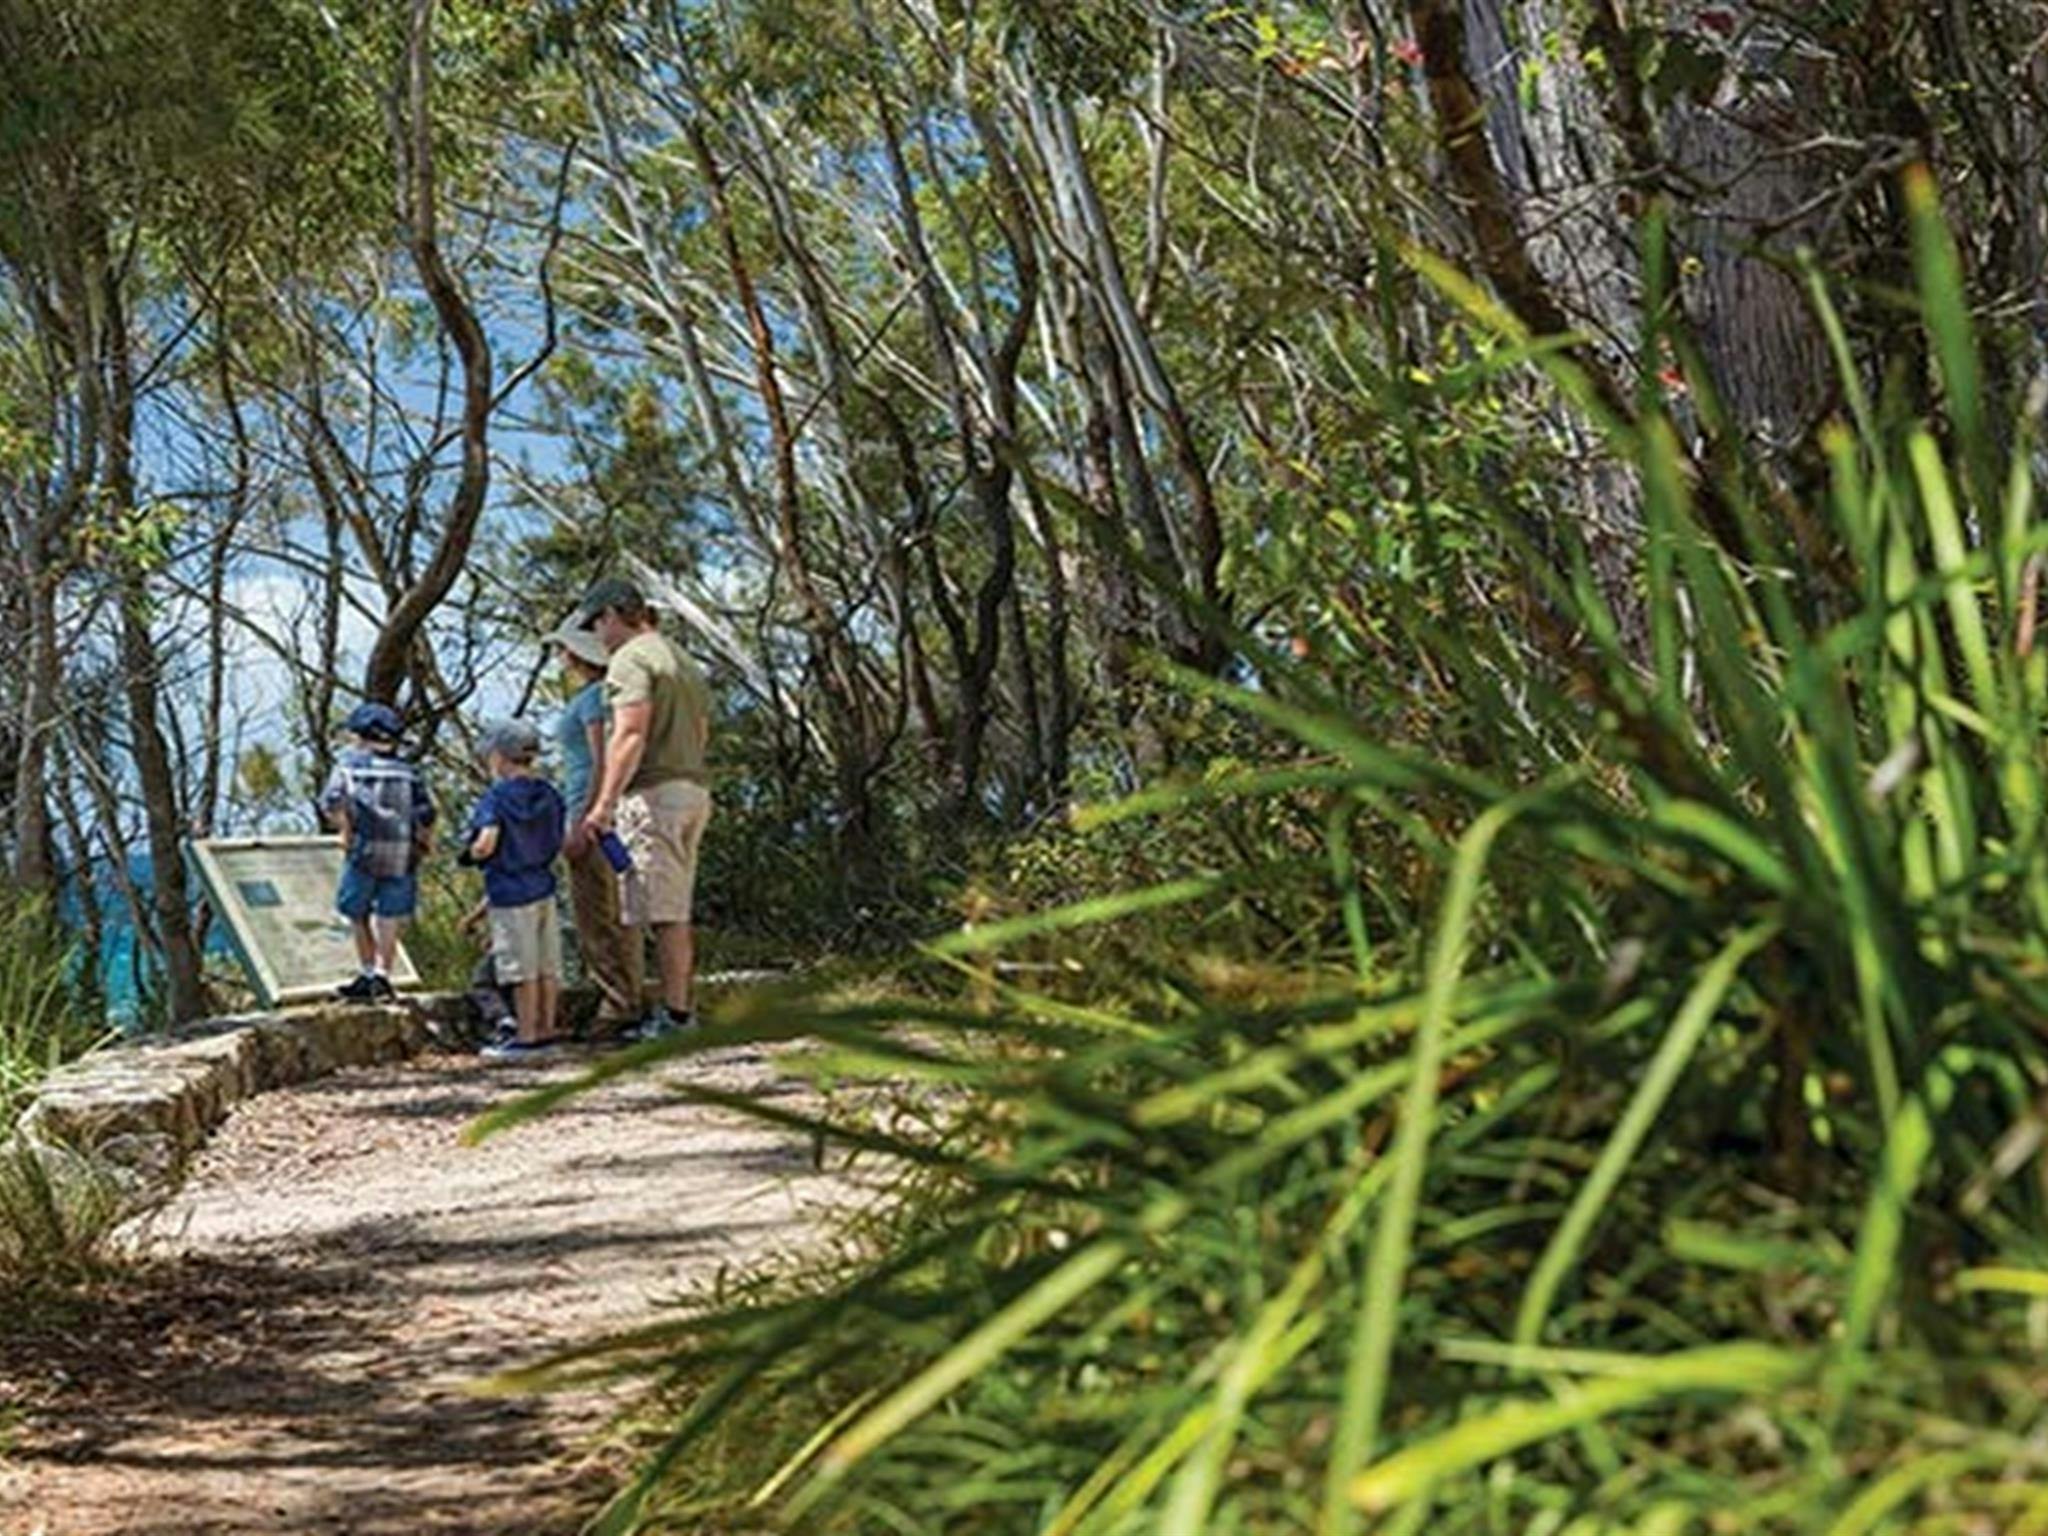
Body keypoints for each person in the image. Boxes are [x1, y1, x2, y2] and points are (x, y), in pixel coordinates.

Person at [573, 577, 713, 1039]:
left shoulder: (630, 659)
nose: (597, 635)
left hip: (655, 796)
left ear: (613, 614)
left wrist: (604, 804)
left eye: (597, 623)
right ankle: (676, 1011)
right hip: (692, 790)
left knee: (664, 915)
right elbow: (703, 730)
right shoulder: (683, 659)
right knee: (672, 907)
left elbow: (629, 733)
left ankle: (676, 1018)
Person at [542, 621, 644, 1035]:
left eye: (563, 650)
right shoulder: (600, 695)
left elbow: (603, 758)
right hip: (594, 808)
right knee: (610, 908)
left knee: (598, 910)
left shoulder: (597, 698)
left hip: (593, 812)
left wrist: (587, 817)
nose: (560, 658)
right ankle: (623, 997)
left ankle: (619, 1003)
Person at [462, 719, 568, 1058]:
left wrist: (473, 852)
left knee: (520, 969)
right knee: (547, 966)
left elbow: (487, 842)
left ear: (497, 757)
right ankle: (547, 1030)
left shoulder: (496, 797)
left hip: (510, 891)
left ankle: (525, 1036)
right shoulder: (549, 794)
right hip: (544, 886)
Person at [319, 701, 435, 1002]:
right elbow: (426, 812)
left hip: (364, 850)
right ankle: (384, 974)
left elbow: (333, 801)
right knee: (389, 915)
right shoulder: (409, 771)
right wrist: (425, 842)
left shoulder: (348, 767)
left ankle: (368, 970)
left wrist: (344, 830)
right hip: (402, 854)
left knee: (356, 911)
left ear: (360, 736)